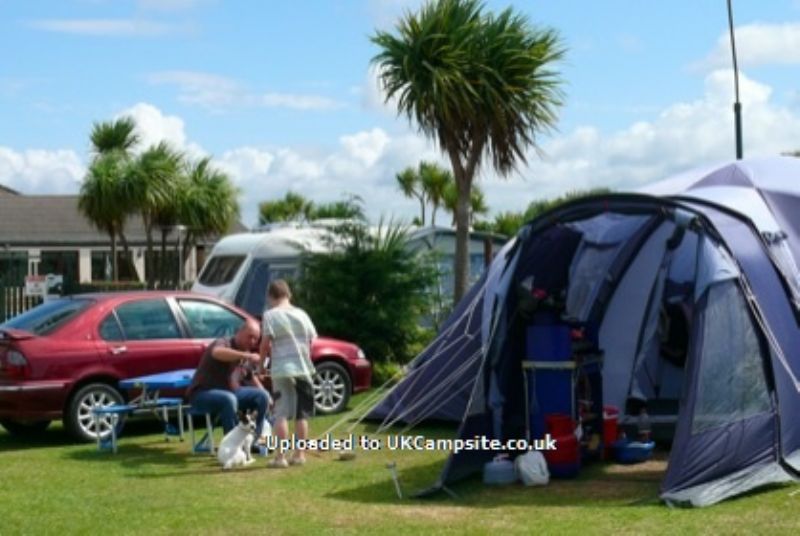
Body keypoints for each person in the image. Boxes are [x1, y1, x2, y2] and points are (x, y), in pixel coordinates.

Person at [259, 279, 317, 468]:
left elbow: (265, 344)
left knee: (281, 413)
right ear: (288, 294)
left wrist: (261, 365)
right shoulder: (302, 314)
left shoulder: (270, 315)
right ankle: (299, 455)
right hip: (303, 368)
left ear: (271, 296)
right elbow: (311, 341)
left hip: (282, 369)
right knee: (302, 414)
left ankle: (280, 457)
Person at [187, 319, 271, 446]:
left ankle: (256, 440)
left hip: (231, 393)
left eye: (256, 339)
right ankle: (232, 445)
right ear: (239, 332)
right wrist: (245, 356)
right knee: (229, 399)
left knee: (262, 396)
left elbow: (250, 377)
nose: (252, 341)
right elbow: (217, 353)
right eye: (250, 337)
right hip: (203, 393)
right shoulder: (223, 343)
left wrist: (265, 394)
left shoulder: (244, 353)